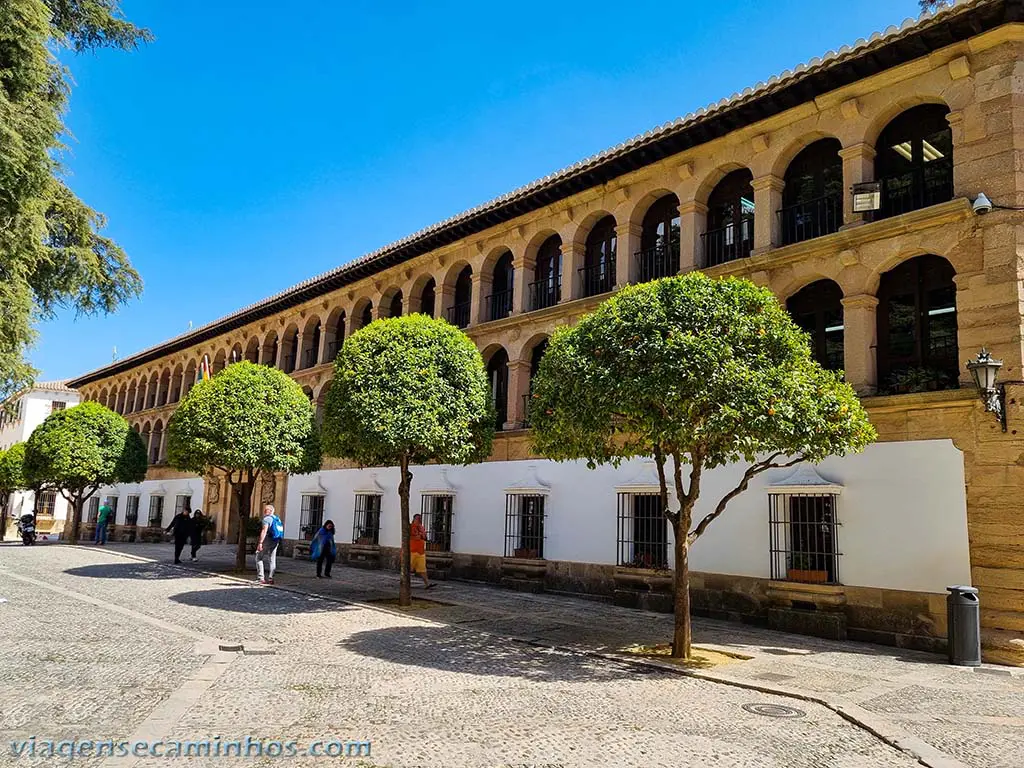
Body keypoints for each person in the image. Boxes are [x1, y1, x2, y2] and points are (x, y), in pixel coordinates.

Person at [255, 504, 284, 585]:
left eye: (266, 510)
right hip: (275, 540)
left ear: (270, 511)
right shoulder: (277, 519)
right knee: (272, 559)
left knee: (259, 557)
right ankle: (271, 578)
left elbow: (264, 531)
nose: (264, 511)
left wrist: (260, 543)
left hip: (267, 540)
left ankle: (261, 578)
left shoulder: (267, 519)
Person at [410, 513, 434, 589]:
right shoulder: (410, 527)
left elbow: (425, 537)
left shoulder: (422, 527)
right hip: (412, 551)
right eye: (417, 519)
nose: (419, 520)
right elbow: (414, 537)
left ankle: (427, 584)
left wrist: (421, 535)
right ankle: (405, 583)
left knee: (423, 569)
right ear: (414, 519)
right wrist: (420, 535)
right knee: (409, 568)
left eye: (420, 519)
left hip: (421, 552)